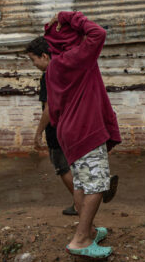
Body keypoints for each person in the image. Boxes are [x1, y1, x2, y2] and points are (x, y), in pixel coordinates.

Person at [43, 11, 122, 259]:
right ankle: (80, 240)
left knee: (80, 183)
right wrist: (68, 16)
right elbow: (98, 32)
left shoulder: (54, 65)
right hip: (85, 128)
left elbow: (53, 108)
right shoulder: (78, 56)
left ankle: (88, 230)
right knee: (97, 185)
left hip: (67, 130)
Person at [26, 38, 119, 217]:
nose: (34, 64)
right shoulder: (69, 70)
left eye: (33, 59)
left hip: (58, 130)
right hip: (76, 127)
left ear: (44, 56)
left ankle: (82, 206)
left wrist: (38, 133)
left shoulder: (49, 75)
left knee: (63, 168)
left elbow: (49, 107)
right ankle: (94, 190)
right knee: (79, 166)